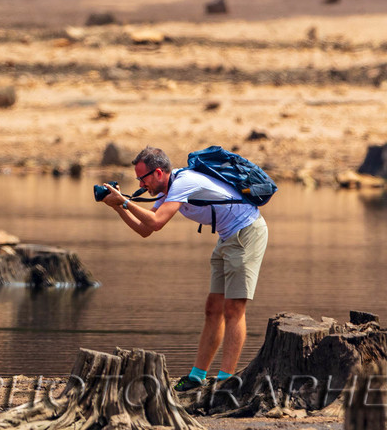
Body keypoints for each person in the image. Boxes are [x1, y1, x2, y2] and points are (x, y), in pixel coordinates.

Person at [100, 146, 269, 392]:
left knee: (234, 309)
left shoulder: (184, 182)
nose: (140, 183)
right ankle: (197, 376)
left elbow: (156, 222)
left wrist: (124, 202)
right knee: (213, 309)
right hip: (226, 237)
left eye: (142, 177)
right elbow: (145, 230)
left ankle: (225, 380)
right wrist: (117, 206)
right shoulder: (165, 191)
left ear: (158, 173)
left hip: (247, 232)